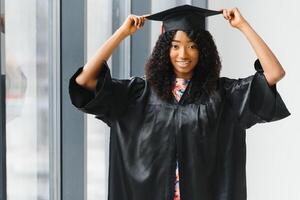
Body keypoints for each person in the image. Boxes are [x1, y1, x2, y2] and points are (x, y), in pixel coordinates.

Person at [69, 5, 290, 200]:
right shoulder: (137, 94)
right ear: (165, 48)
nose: (183, 53)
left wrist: (244, 26)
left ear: (203, 50)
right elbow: (85, 81)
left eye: (192, 46)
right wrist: (121, 33)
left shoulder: (223, 95)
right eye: (175, 46)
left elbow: (274, 73)